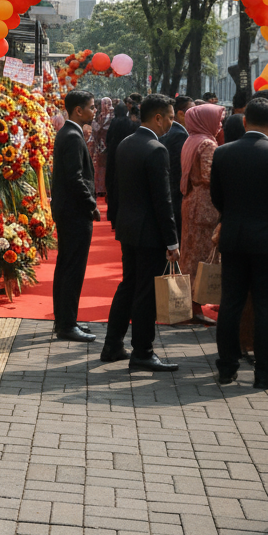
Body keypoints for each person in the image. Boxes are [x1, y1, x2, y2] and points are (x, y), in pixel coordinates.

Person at [100, 93, 180, 371]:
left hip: (129, 228)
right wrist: (171, 240)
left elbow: (116, 187)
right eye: (170, 116)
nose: (172, 121)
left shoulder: (126, 143)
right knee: (145, 293)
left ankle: (112, 344)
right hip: (149, 234)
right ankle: (143, 352)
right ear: (157, 117)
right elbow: (163, 201)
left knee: (129, 286)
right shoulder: (156, 149)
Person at [210, 95, 268, 388]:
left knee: (230, 303)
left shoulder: (223, 153)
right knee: (264, 305)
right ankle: (263, 373)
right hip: (264, 241)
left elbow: (216, 198)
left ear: (244, 121)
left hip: (233, 236)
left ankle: (226, 367)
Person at [50, 89, 99, 343]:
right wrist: (91, 203)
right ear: (78, 110)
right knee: (72, 269)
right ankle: (66, 324)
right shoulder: (71, 135)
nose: (95, 111)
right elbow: (75, 178)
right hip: (74, 213)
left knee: (66, 267)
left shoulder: (70, 133)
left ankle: (65, 320)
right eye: (91, 107)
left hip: (70, 211)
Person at [178, 103, 224, 323]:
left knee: (190, 254)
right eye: (217, 119)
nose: (220, 123)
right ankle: (195, 308)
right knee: (202, 257)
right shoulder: (207, 144)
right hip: (205, 205)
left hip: (191, 202)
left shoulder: (191, 139)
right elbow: (210, 176)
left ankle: (190, 306)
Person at [161, 95, 192, 241]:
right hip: (176, 197)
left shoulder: (172, 132)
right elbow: (177, 172)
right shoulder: (179, 135)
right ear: (181, 114)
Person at [105, 102, 138, 230]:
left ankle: (113, 217)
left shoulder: (114, 122)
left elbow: (108, 139)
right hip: (127, 155)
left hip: (113, 155)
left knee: (113, 187)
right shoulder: (130, 123)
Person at [88, 97, 113, 196]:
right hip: (100, 144)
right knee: (100, 166)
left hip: (105, 143)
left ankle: (103, 188)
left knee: (104, 166)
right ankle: (100, 188)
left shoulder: (110, 115)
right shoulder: (103, 115)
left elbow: (102, 129)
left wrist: (93, 123)